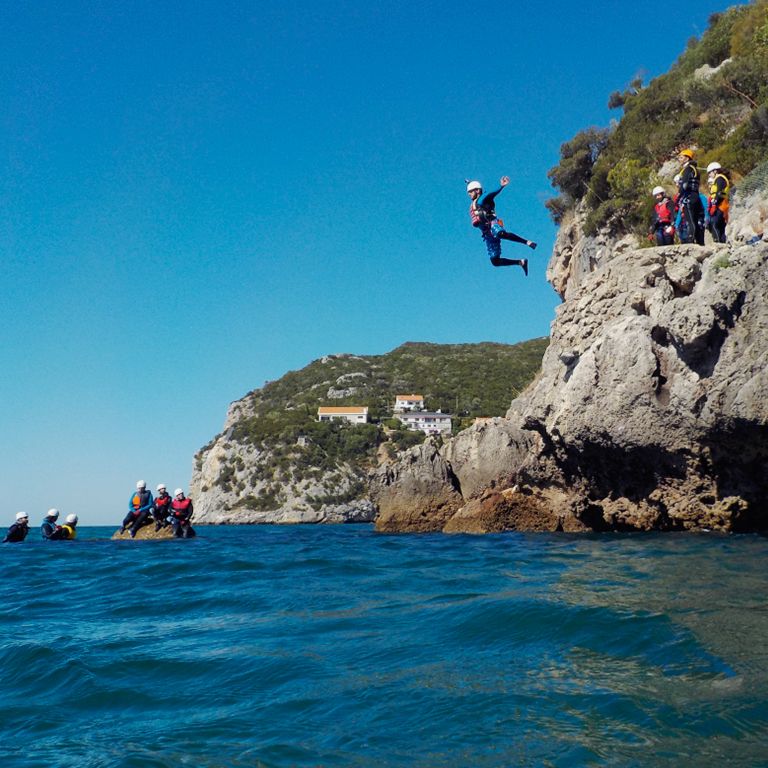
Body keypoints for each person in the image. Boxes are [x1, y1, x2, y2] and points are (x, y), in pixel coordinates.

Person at [467, 177, 537, 273]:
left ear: (477, 190)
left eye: (471, 192)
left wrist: (501, 186)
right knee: (495, 261)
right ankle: (521, 262)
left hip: (492, 223)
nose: (469, 194)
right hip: (487, 233)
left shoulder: (482, 199)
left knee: (500, 233)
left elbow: (492, 193)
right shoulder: (473, 204)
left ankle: (527, 242)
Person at [676, 149, 705, 245]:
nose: (679, 159)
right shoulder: (695, 169)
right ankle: (700, 242)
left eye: (681, 157)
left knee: (690, 220)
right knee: (695, 220)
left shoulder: (688, 169)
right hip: (695, 195)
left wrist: (678, 196)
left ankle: (691, 240)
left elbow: (684, 185)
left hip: (689, 196)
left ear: (687, 158)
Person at [707, 161, 730, 243]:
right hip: (721, 203)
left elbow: (719, 192)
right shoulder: (719, 178)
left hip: (721, 203)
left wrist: (715, 202)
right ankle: (721, 241)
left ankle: (718, 242)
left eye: (710, 172)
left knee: (714, 223)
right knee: (720, 225)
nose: (709, 175)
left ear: (715, 171)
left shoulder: (720, 178)